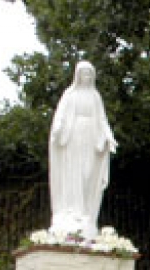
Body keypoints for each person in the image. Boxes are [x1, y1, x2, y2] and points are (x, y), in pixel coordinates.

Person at [49, 61, 117, 239]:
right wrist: (57, 129)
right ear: (77, 75)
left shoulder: (95, 96)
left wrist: (109, 137)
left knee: (88, 174)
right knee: (74, 174)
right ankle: (72, 211)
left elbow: (102, 120)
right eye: (83, 73)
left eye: (89, 73)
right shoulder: (69, 94)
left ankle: (85, 212)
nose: (86, 76)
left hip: (90, 138)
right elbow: (60, 116)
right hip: (73, 137)